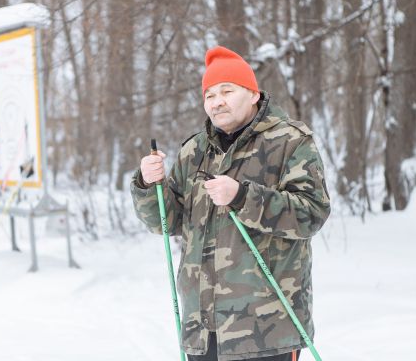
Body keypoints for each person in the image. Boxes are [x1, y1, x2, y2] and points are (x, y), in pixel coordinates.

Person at [130, 45, 330, 361]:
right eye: (209, 94)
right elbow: (165, 222)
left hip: (266, 328)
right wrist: (148, 184)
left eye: (227, 90)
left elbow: (311, 214)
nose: (217, 101)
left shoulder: (290, 141)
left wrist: (242, 197)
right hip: (203, 329)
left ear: (252, 93)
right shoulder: (193, 151)